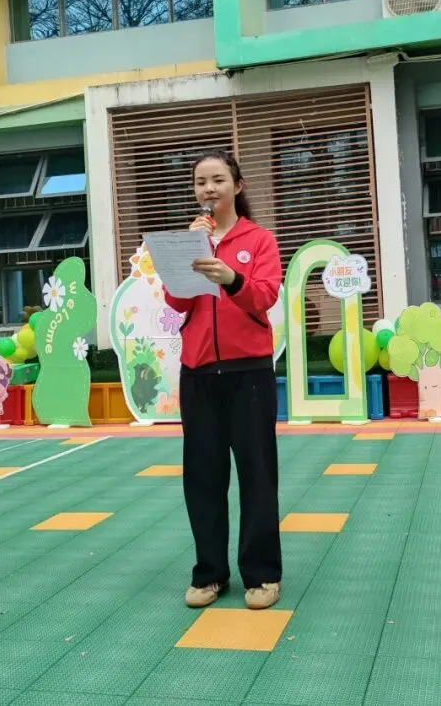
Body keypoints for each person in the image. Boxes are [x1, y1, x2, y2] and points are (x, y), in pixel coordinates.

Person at [163, 151, 283, 610]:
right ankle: (209, 574)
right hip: (198, 374)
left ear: (237, 185)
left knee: (257, 476)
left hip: (248, 372)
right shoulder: (191, 240)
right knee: (203, 478)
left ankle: (262, 574)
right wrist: (189, 255)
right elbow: (177, 302)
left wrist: (232, 277)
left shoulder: (260, 240)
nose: (208, 189)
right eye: (200, 182)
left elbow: (264, 297)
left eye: (217, 180)